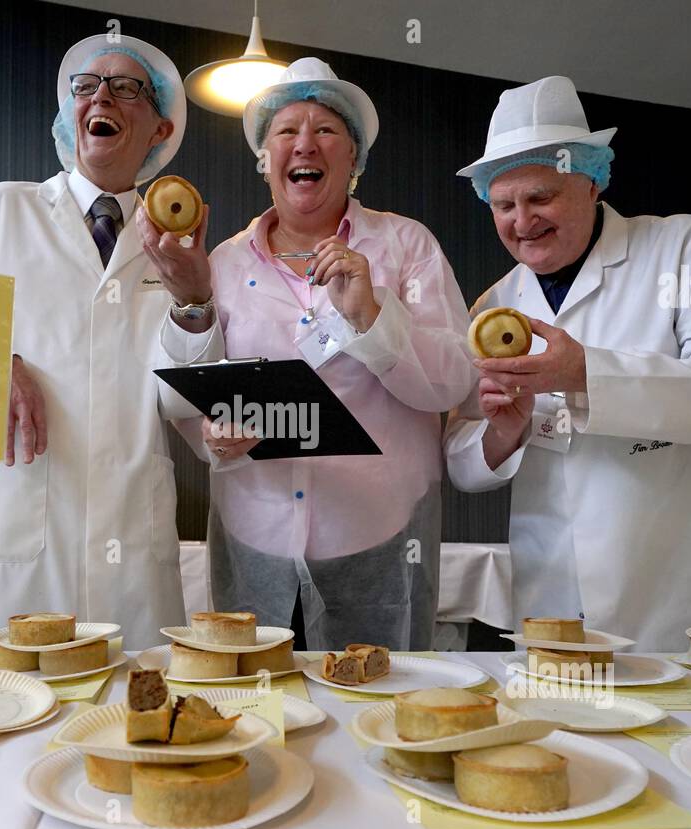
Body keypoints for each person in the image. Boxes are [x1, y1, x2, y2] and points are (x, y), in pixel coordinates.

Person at [444, 76, 691, 649]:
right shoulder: (493, 306)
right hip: (554, 609)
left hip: (683, 604)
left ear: (593, 181)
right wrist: (503, 434)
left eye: (541, 198)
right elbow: (460, 460)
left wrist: (585, 374)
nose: (522, 221)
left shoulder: (687, 245)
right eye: (504, 204)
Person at [0, 34, 223, 654]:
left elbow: (185, 404)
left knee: (125, 731)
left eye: (124, 87)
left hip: (128, 556)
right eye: (85, 87)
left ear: (160, 127)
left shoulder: (177, 247)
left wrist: (193, 301)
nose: (100, 95)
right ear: (70, 116)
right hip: (12, 539)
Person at [172, 59, 475, 650]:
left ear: (353, 161)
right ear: (265, 159)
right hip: (254, 535)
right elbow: (194, 389)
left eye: (325, 130)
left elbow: (452, 384)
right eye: (286, 131)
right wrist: (213, 437)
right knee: (256, 707)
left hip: (381, 537)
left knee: (377, 709)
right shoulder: (223, 266)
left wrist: (371, 316)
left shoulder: (406, 245)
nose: (304, 143)